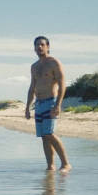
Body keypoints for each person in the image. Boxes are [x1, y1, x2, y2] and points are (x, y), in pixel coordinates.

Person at [24, 36, 71, 172]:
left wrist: (58, 105)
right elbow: (32, 87)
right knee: (44, 137)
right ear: (34, 48)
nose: (39, 47)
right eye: (37, 45)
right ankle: (50, 166)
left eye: (42, 45)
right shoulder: (34, 66)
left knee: (50, 133)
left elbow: (62, 84)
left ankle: (66, 164)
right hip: (38, 104)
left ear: (48, 47)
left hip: (51, 102)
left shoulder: (54, 62)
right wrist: (27, 107)